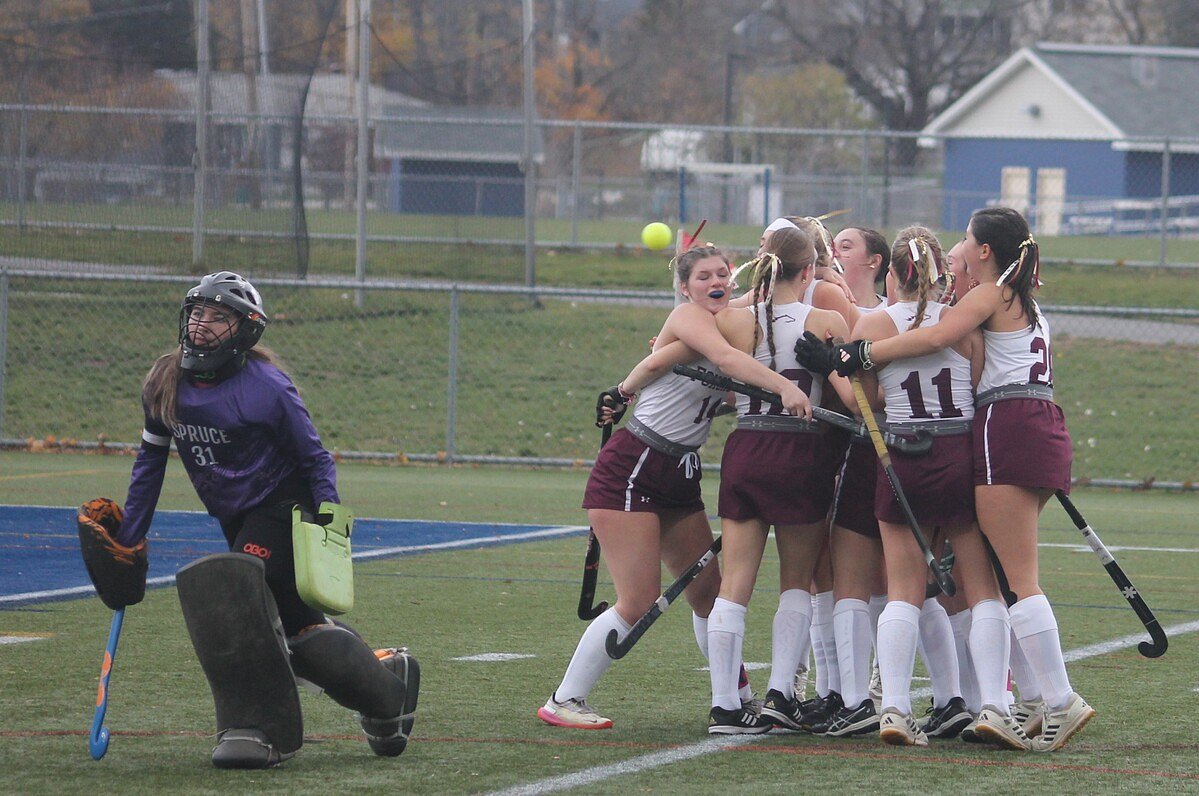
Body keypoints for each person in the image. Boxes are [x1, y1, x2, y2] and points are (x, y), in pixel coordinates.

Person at [76, 271, 419, 768]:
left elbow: (315, 457)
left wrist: (328, 520)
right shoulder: (163, 381)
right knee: (302, 631)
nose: (201, 324)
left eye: (218, 316)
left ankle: (255, 727)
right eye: (197, 312)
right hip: (237, 516)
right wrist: (129, 538)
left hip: (286, 507)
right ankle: (388, 691)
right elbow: (150, 461)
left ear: (245, 329)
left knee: (235, 589)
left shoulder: (268, 386)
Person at [797, 207, 1094, 752]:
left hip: (929, 448)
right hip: (991, 439)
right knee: (990, 585)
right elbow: (965, 363)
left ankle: (904, 706)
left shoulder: (963, 306)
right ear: (937, 270)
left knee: (916, 590)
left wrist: (848, 356)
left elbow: (898, 374)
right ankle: (1005, 702)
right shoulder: (1014, 305)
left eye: (968, 242)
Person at [538, 245, 812, 731]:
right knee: (638, 599)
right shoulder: (689, 317)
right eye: (704, 275)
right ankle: (564, 699)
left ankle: (736, 699)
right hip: (636, 465)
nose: (716, 280)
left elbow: (720, 393)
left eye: (723, 273)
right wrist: (784, 387)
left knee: (710, 593)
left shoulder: (721, 323)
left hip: (679, 473)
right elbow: (727, 361)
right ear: (685, 287)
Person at [835, 227, 1021, 748]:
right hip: (957, 453)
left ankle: (893, 707)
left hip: (901, 455)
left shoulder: (872, 322)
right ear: (943, 274)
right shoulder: (965, 324)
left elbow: (863, 401)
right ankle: (994, 706)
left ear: (892, 275)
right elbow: (982, 389)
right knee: (980, 588)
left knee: (903, 590)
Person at [704, 226, 857, 735]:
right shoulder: (827, 318)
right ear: (809, 271)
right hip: (801, 449)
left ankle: (725, 705)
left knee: (734, 583)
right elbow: (848, 392)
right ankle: (780, 695)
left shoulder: (729, 321)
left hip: (746, 445)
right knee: (797, 579)